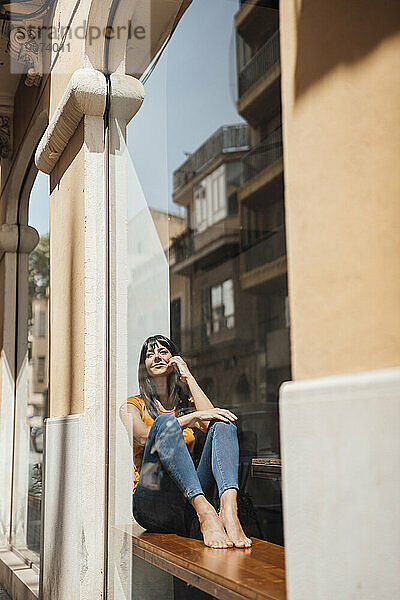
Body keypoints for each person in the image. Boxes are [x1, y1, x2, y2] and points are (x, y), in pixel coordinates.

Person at [120, 334, 252, 549]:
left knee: (223, 423)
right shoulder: (132, 405)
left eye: (163, 351)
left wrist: (188, 377)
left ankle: (229, 509)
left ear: (174, 359)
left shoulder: (187, 403)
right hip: (153, 501)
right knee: (164, 423)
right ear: (143, 365)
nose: (157, 357)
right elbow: (143, 436)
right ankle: (206, 512)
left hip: (187, 500)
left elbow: (212, 425)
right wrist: (191, 418)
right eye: (150, 354)